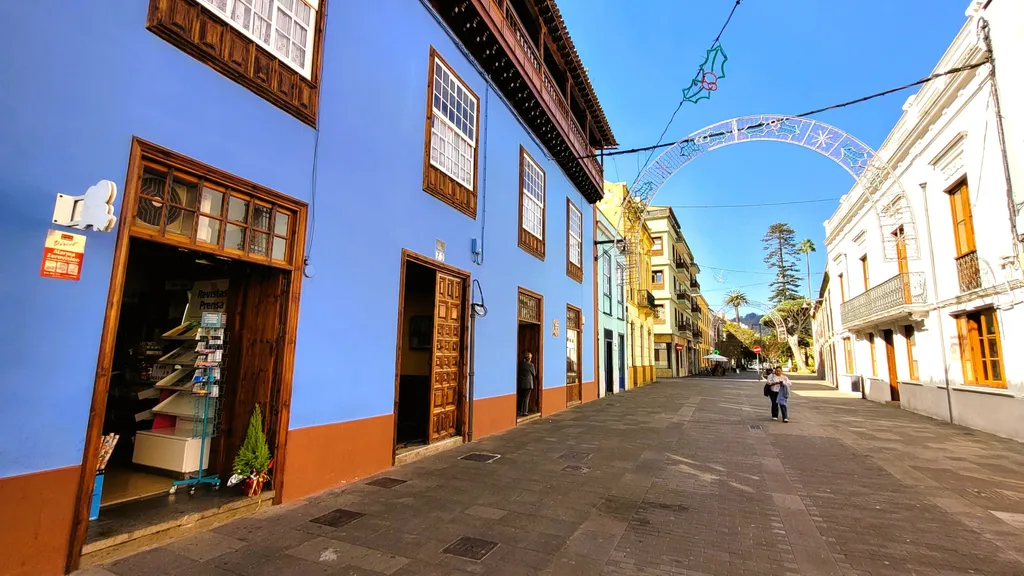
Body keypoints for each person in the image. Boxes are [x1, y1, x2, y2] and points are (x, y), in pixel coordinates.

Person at [517, 351, 536, 417]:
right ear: (530, 358)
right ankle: (525, 412)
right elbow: (534, 374)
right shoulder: (531, 365)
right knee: (526, 398)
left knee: (520, 397)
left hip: (521, 383)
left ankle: (519, 411)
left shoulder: (520, 364)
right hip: (528, 384)